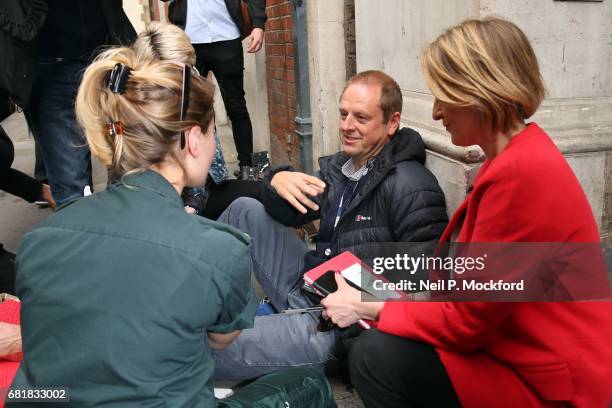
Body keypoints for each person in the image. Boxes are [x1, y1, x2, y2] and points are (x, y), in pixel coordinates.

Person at [9, 40, 334, 407]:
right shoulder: (219, 248)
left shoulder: (38, 241)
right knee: (309, 380)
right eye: (211, 132)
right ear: (193, 139)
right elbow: (218, 341)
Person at [321, 18, 612, 407]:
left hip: (548, 378)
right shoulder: (514, 158)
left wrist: (366, 305)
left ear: (481, 93)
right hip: (516, 349)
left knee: (376, 357)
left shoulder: (521, 174)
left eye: (444, 96)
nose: (437, 113)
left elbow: (467, 322)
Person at [213, 70, 448, 380]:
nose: (347, 126)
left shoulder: (410, 186)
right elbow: (289, 213)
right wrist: (276, 180)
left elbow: (425, 285)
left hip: (335, 324)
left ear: (392, 123)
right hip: (311, 284)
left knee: (210, 349)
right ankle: (208, 306)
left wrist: (355, 303)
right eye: (343, 114)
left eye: (361, 118)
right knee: (243, 209)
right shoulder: (344, 167)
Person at [132, 21, 261, 220]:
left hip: (199, 191)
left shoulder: (194, 85)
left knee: (256, 201)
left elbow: (209, 163)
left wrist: (193, 204)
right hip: (151, 203)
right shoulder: (132, 101)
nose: (179, 83)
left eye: (184, 73)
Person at [24, 0, 136, 208]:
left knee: (124, 159)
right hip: (50, 71)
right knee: (72, 189)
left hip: (107, 62)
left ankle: (127, 231)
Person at [163, 0, 267, 172]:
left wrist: (258, 23)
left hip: (227, 37)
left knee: (237, 108)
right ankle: (204, 172)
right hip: (189, 41)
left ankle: (247, 169)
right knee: (193, 112)